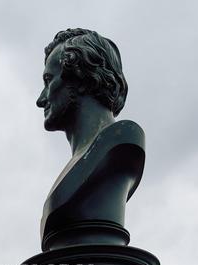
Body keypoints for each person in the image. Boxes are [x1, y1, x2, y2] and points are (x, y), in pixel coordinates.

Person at [37, 29, 145, 250]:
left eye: (49, 80)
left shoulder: (122, 143)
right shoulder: (83, 160)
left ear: (81, 79)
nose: (41, 99)